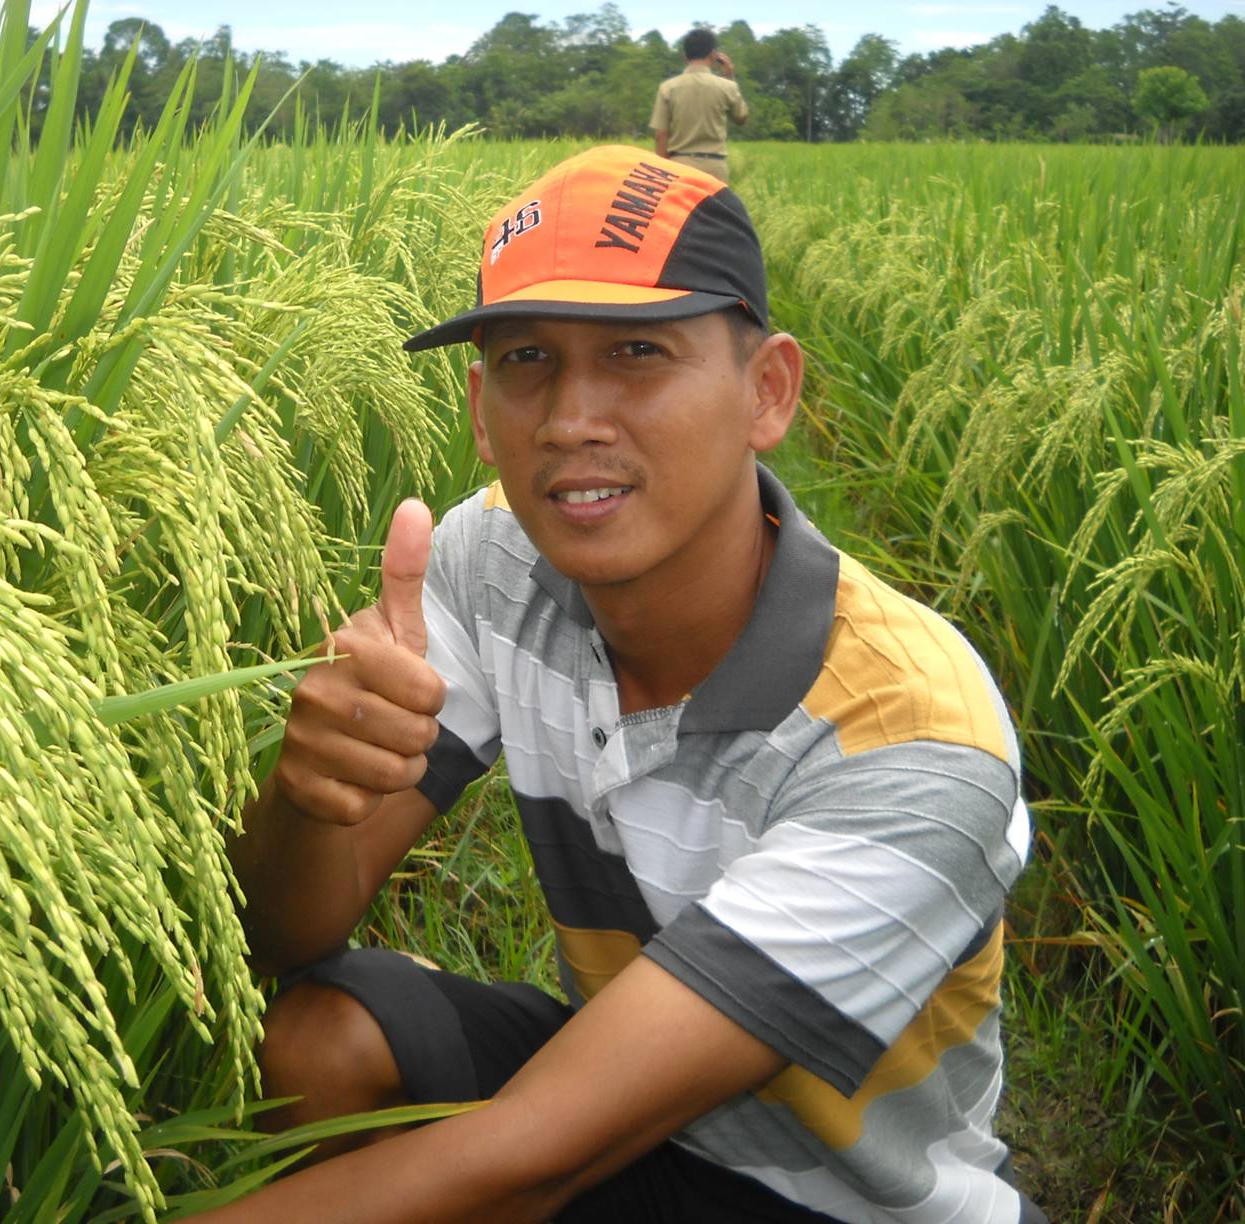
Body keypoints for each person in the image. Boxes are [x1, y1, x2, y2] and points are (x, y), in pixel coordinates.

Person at [208, 145, 1044, 1222]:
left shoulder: (915, 743)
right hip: (617, 1104)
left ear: (767, 391)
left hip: (841, 1203)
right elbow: (286, 935)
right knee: (323, 1038)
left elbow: (531, 1161)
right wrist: (313, 792)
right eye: (526, 360)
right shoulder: (490, 560)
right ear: (478, 408)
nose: (569, 420)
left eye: (639, 351)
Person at [652, 26, 749, 182]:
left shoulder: (668, 88)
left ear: (685, 56)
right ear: (713, 55)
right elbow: (741, 118)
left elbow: (661, 135)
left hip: (679, 167)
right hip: (715, 167)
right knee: (714, 207)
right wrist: (729, 77)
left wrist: (660, 174)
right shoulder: (727, 86)